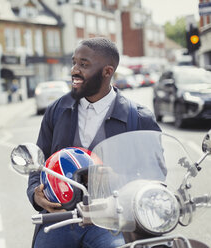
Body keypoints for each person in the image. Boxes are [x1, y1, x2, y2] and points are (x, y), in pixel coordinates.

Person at [27, 37, 161, 248]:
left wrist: (120, 178)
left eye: (84, 64)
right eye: (74, 62)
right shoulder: (56, 111)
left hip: (111, 220)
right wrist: (36, 194)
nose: (74, 70)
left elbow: (156, 174)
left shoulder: (139, 117)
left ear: (107, 72)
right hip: (61, 217)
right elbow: (38, 162)